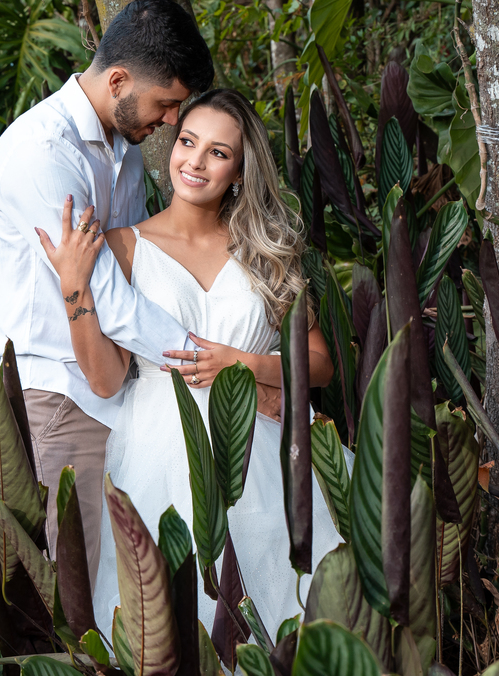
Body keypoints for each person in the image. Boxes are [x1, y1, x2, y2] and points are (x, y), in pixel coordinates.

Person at [0, 0, 277, 598]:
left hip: (130, 397)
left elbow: (146, 273)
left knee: (150, 594)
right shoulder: (44, 156)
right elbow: (113, 302)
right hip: (62, 398)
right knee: (79, 595)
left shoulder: (123, 150)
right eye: (167, 104)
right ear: (118, 81)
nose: (171, 123)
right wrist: (219, 367)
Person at [36, 89, 348, 635]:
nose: (195, 162)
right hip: (160, 449)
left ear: (241, 171)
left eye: (218, 152)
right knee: (184, 620)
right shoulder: (123, 247)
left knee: (286, 601)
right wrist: (74, 286)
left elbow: (320, 363)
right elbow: (107, 380)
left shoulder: (266, 249)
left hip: (262, 451)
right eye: (186, 142)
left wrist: (244, 364)